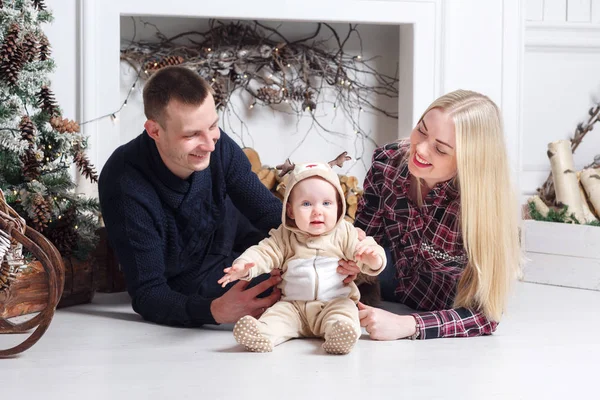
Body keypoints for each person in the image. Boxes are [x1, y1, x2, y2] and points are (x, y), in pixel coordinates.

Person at [98, 66, 284, 327]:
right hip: (195, 282)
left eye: (213, 126)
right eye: (192, 134)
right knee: (287, 289)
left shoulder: (217, 146)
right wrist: (214, 311)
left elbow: (269, 213)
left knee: (313, 263)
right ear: (154, 131)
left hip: (239, 242)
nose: (209, 144)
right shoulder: (124, 184)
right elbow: (148, 293)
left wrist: (336, 242)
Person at [337, 89, 522, 340]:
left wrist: (408, 325)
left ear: (468, 161)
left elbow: (486, 315)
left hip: (442, 302)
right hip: (384, 278)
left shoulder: (484, 207)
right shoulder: (387, 162)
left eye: (441, 149)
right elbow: (364, 239)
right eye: (421, 130)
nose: (420, 150)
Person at [218, 160, 386, 354]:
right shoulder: (284, 236)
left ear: (339, 207)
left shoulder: (344, 233)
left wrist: (373, 259)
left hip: (334, 302)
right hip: (293, 306)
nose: (317, 211)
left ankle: (340, 334)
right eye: (306, 204)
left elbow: (366, 249)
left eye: (326, 203)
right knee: (276, 317)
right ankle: (261, 334)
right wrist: (244, 266)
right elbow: (263, 252)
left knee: (344, 315)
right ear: (290, 210)